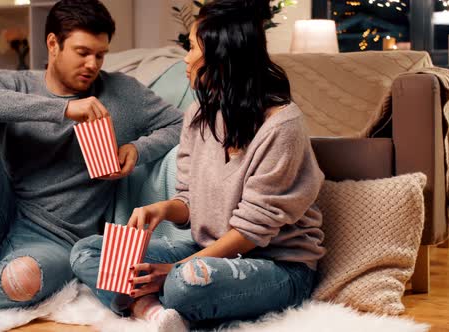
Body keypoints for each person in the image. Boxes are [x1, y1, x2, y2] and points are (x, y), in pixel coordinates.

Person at [70, 0, 326, 329]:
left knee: (182, 285)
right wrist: (161, 209)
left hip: (278, 266)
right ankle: (150, 310)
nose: (186, 59)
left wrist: (173, 272)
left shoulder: (282, 126)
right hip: (205, 251)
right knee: (87, 252)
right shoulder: (199, 116)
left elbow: (250, 233)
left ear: (222, 54)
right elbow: (189, 200)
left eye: (192, 47)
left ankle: (161, 299)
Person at [0, 0, 182, 309]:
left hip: (56, 239)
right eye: (83, 53)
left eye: (100, 55)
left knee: (23, 279)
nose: (93, 65)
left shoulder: (123, 92)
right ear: (53, 44)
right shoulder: (19, 85)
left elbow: (181, 123)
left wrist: (138, 149)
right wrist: (64, 109)